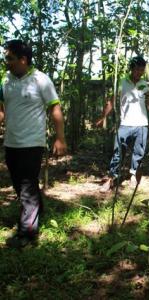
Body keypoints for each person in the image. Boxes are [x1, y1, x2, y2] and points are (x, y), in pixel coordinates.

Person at [0, 39, 67, 247]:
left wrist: (60, 138)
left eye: (10, 58)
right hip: (11, 143)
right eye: (5, 58)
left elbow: (55, 109)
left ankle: (27, 233)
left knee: (27, 185)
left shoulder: (41, 80)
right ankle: (38, 210)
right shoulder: (5, 80)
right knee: (20, 185)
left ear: (23, 59)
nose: (6, 62)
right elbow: (1, 109)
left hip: (32, 143)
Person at [97, 56, 149, 192]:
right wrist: (103, 117)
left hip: (141, 125)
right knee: (117, 152)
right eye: (137, 69)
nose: (139, 72)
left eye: (142, 70)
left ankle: (133, 175)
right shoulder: (122, 83)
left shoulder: (145, 85)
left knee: (138, 152)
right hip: (125, 124)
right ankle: (111, 178)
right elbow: (111, 101)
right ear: (132, 68)